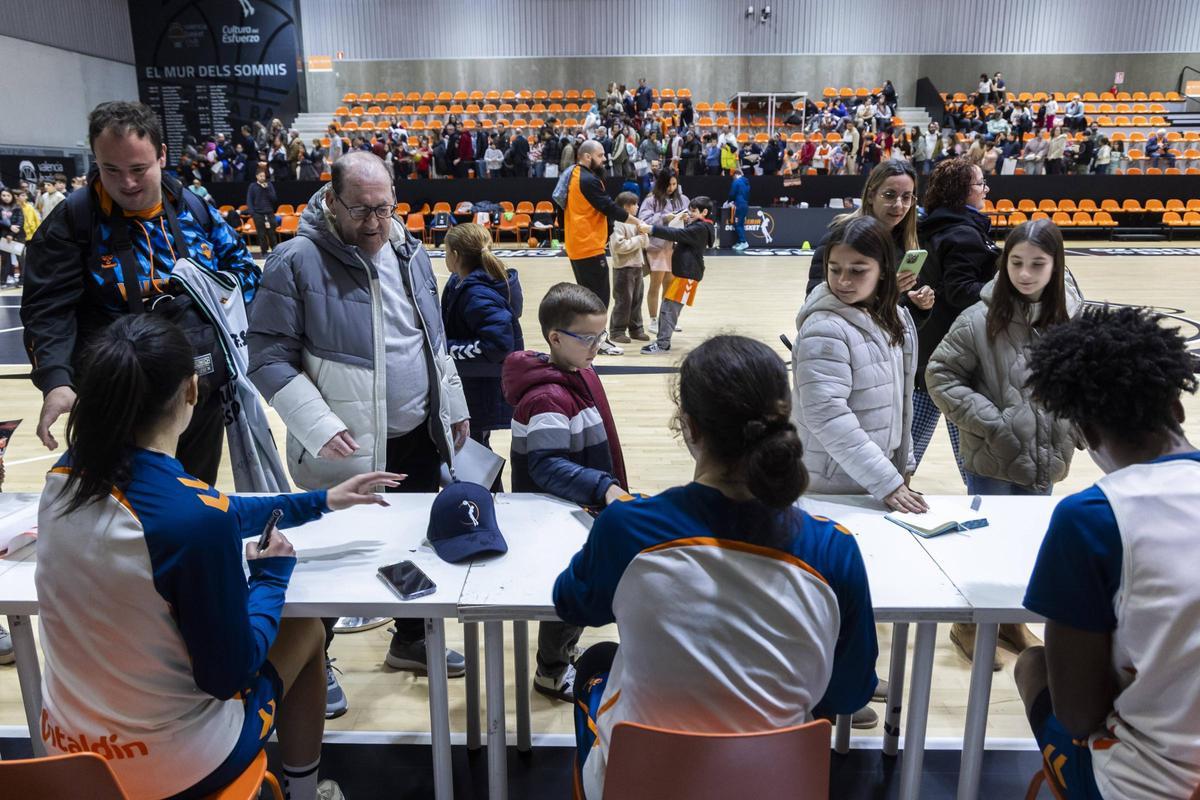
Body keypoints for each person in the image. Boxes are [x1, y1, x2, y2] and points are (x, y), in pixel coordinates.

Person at [36, 313, 402, 800]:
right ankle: (303, 791)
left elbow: (213, 510)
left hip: (66, 757)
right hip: (171, 769)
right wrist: (270, 578)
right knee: (306, 629)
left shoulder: (63, 478)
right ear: (192, 390)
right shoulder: (188, 521)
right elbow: (229, 674)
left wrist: (322, 500)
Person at [560, 333, 879, 798]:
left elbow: (574, 603)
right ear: (782, 422)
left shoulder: (628, 526)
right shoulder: (835, 548)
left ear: (688, 425)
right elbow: (850, 694)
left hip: (646, 782)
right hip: (777, 783)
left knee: (595, 661)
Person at [247, 151, 470, 718]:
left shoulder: (410, 250)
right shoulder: (293, 261)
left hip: (419, 433)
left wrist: (453, 404)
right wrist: (316, 424)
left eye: (384, 208)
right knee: (331, 555)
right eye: (361, 211)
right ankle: (312, 661)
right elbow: (267, 357)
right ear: (330, 201)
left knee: (416, 542)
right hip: (343, 444)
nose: (375, 223)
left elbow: (432, 340)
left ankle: (412, 639)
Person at [21, 101, 260, 485]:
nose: (127, 183)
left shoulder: (194, 209)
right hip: (118, 399)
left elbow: (245, 273)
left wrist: (208, 297)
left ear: (162, 156)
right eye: (110, 170)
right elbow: (47, 310)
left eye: (138, 169)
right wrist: (56, 381)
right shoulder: (73, 222)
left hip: (196, 395)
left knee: (195, 499)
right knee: (125, 512)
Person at [1015, 305, 1200, 800]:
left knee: (1032, 664)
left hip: (1152, 785)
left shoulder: (1093, 517)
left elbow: (1079, 713)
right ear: (1178, 408)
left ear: (1085, 434)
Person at [926, 219, 1082, 666]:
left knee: (1026, 543)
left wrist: (1076, 425)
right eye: (1016, 262)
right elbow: (940, 375)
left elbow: (1083, 378)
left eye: (1038, 264)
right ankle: (969, 625)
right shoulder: (978, 317)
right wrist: (993, 422)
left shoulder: (1071, 317)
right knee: (986, 542)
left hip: (1048, 456)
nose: (1026, 273)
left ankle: (1011, 621)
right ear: (1004, 262)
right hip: (991, 457)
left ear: (1056, 265)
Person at [501, 282, 630, 703]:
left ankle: (561, 658)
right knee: (567, 601)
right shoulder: (548, 397)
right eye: (588, 338)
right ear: (555, 338)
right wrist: (604, 485)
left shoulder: (576, 374)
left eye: (601, 336)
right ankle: (551, 674)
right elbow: (546, 465)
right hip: (558, 518)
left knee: (575, 596)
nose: (597, 346)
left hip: (578, 509)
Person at [912, 158, 999, 481]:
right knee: (971, 452)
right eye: (980, 184)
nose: (985, 190)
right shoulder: (963, 234)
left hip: (929, 349)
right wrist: (1005, 290)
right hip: (957, 357)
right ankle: (984, 501)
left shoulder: (936, 226)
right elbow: (961, 291)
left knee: (910, 447)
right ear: (962, 192)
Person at [440, 223, 523, 487]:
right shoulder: (461, 282)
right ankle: (485, 502)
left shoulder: (476, 293)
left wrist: (447, 349)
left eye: (445, 251)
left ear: (455, 254)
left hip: (479, 389)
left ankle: (486, 504)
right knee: (474, 449)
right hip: (472, 384)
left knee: (471, 454)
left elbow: (498, 344)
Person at [563, 140, 652, 356]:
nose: (604, 159)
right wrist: (637, 222)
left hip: (577, 244)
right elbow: (610, 207)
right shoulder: (587, 179)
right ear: (587, 157)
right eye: (600, 155)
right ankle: (599, 342)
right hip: (588, 247)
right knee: (599, 300)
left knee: (588, 298)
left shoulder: (573, 174)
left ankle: (587, 339)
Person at [805, 160, 930, 306]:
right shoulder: (838, 239)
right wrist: (886, 291)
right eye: (889, 195)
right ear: (871, 195)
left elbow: (898, 315)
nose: (898, 205)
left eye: (906, 197)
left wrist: (919, 305)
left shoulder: (910, 242)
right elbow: (815, 302)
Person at [639, 196, 715, 355]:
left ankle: (662, 344)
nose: (690, 213)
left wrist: (652, 229)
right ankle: (663, 342)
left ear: (705, 212)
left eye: (694, 211)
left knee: (669, 309)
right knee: (669, 308)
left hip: (687, 275)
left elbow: (676, 234)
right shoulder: (701, 226)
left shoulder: (700, 229)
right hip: (684, 273)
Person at [638, 170, 689, 330]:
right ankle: (653, 320)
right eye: (669, 184)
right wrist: (664, 218)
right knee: (655, 284)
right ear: (661, 183)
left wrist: (686, 218)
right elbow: (644, 221)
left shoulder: (682, 199)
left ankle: (666, 319)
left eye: (674, 184)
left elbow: (689, 218)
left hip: (675, 247)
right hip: (657, 247)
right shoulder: (651, 199)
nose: (671, 188)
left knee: (670, 284)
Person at [608, 192, 649, 345]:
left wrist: (641, 238)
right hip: (623, 268)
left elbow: (646, 242)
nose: (638, 207)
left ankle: (636, 329)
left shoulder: (637, 222)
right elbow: (619, 246)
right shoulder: (617, 223)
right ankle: (617, 331)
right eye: (635, 204)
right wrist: (639, 238)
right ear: (626, 206)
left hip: (637, 266)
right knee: (623, 301)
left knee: (637, 299)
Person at [246, 169, 279, 255]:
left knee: (272, 233)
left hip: (269, 212)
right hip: (258, 214)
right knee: (261, 234)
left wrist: (267, 189)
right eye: (261, 176)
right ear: (257, 176)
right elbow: (249, 200)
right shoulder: (252, 186)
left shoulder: (269, 185)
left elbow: (274, 199)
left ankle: (275, 252)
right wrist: (252, 213)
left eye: (264, 176)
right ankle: (264, 252)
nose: (263, 178)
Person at [0, 188, 24, 285]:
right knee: (5, 259)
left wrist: (11, 234)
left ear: (12, 196)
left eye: (8, 195)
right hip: (3, 237)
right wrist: (9, 227)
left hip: (18, 236)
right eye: (3, 195)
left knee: (20, 259)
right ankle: (4, 279)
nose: (6, 198)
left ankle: (22, 280)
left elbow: (20, 223)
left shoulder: (17, 207)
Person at [727, 170, 750, 251]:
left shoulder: (736, 182)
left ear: (736, 175)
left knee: (738, 224)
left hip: (739, 205)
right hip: (745, 204)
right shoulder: (746, 183)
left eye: (733, 177)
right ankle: (740, 241)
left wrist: (729, 201)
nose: (733, 178)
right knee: (741, 224)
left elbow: (732, 194)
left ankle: (744, 242)